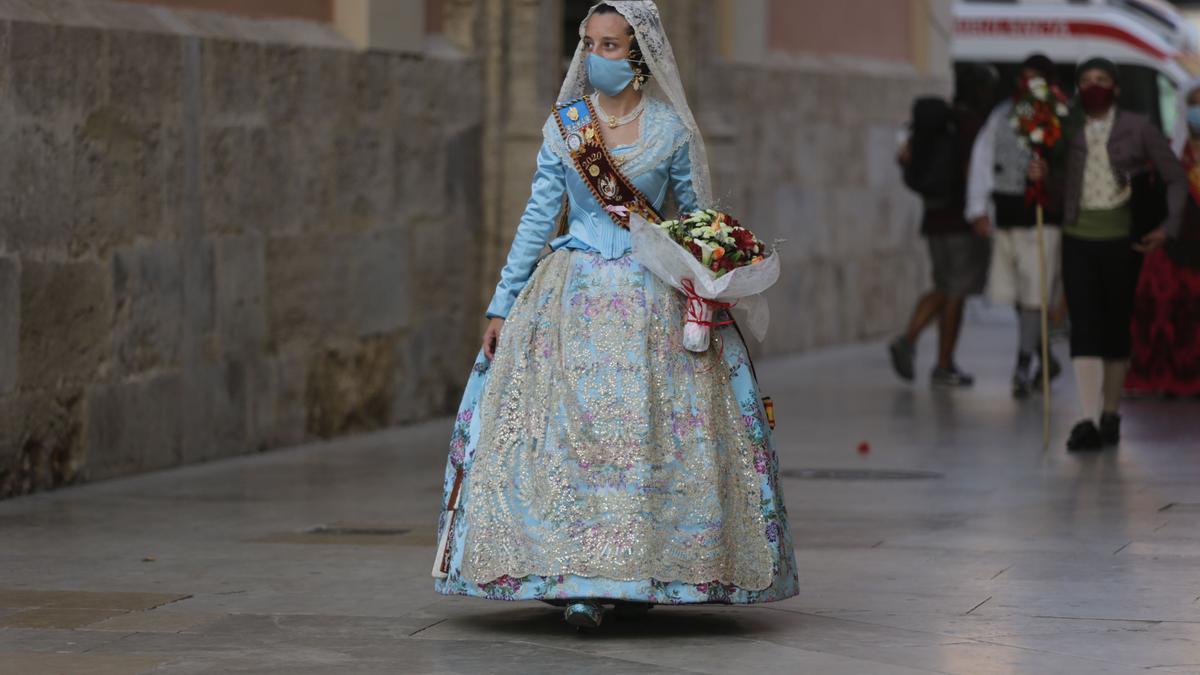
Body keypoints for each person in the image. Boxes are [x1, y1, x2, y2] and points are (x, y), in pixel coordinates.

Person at [432, 1, 798, 628]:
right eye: (588, 42)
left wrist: (712, 277)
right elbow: (535, 220)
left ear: (638, 55)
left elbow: (692, 223)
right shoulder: (566, 128)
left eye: (607, 45)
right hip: (567, 296)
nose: (592, 56)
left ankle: (647, 568)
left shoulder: (670, 132)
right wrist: (501, 303)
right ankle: (574, 576)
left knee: (645, 434)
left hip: (650, 300)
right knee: (568, 436)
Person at [1032, 57, 1187, 450]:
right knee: (1083, 325)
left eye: (1101, 79)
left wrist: (1167, 228)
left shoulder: (1139, 128)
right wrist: (1040, 178)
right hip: (1077, 238)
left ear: (1115, 87)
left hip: (1122, 241)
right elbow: (1051, 188)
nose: (1093, 86)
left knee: (1115, 326)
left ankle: (1111, 412)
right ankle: (1086, 418)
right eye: (1085, 80)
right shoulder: (1062, 128)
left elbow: (1175, 178)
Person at [966, 54, 1066, 399]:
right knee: (1016, 294)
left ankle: (1023, 364)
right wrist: (978, 207)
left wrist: (1050, 179)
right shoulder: (1003, 113)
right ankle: (1044, 357)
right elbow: (983, 157)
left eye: (1035, 77)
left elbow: (1071, 164)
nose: (1027, 83)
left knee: (1034, 297)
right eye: (1023, 76)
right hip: (1007, 217)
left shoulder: (1059, 115)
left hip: (1041, 221)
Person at [889, 66, 995, 387]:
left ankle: (914, 343)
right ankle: (939, 360)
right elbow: (971, 173)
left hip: (933, 218)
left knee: (944, 284)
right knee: (954, 291)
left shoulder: (942, 123)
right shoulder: (970, 127)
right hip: (961, 222)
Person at [1126, 77, 1200, 398]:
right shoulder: (1170, 150)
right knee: (1163, 309)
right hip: (1172, 246)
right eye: (1195, 103)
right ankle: (1165, 378)